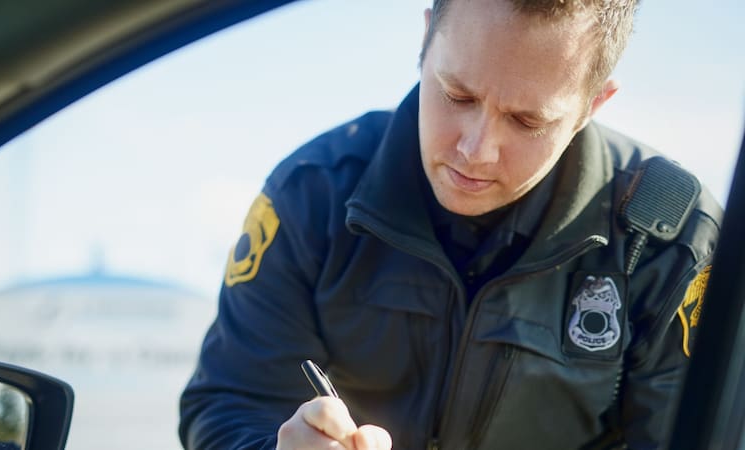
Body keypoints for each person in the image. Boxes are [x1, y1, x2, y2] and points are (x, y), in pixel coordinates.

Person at [179, 0, 722, 448]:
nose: (475, 150)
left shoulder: (670, 244)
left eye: (527, 120)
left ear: (592, 105)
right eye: (457, 95)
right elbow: (228, 405)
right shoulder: (311, 194)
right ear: (424, 40)